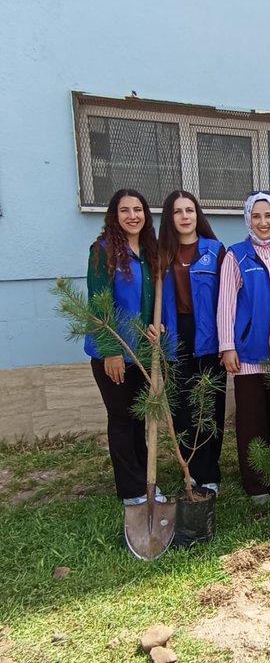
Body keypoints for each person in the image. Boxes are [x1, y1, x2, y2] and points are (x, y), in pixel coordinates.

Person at [217, 192, 270, 505]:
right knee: (252, 422)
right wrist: (227, 346)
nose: (263, 222)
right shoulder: (236, 256)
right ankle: (257, 488)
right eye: (257, 216)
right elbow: (225, 304)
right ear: (248, 219)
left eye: (269, 216)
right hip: (250, 357)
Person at [85, 189, 159, 505]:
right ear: (114, 215)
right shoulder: (103, 252)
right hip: (114, 352)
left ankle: (145, 479)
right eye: (125, 210)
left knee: (139, 419)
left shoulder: (149, 251)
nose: (132, 216)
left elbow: (155, 300)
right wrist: (110, 351)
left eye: (138, 209)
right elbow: (98, 302)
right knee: (121, 419)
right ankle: (131, 492)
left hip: (143, 353)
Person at [159, 190, 226, 493]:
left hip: (210, 336)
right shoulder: (161, 254)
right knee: (183, 407)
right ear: (169, 218)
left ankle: (211, 471)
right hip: (175, 337)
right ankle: (193, 468)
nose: (185, 216)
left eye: (190, 210)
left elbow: (227, 299)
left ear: (197, 214)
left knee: (210, 406)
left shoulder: (215, 250)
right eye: (177, 211)